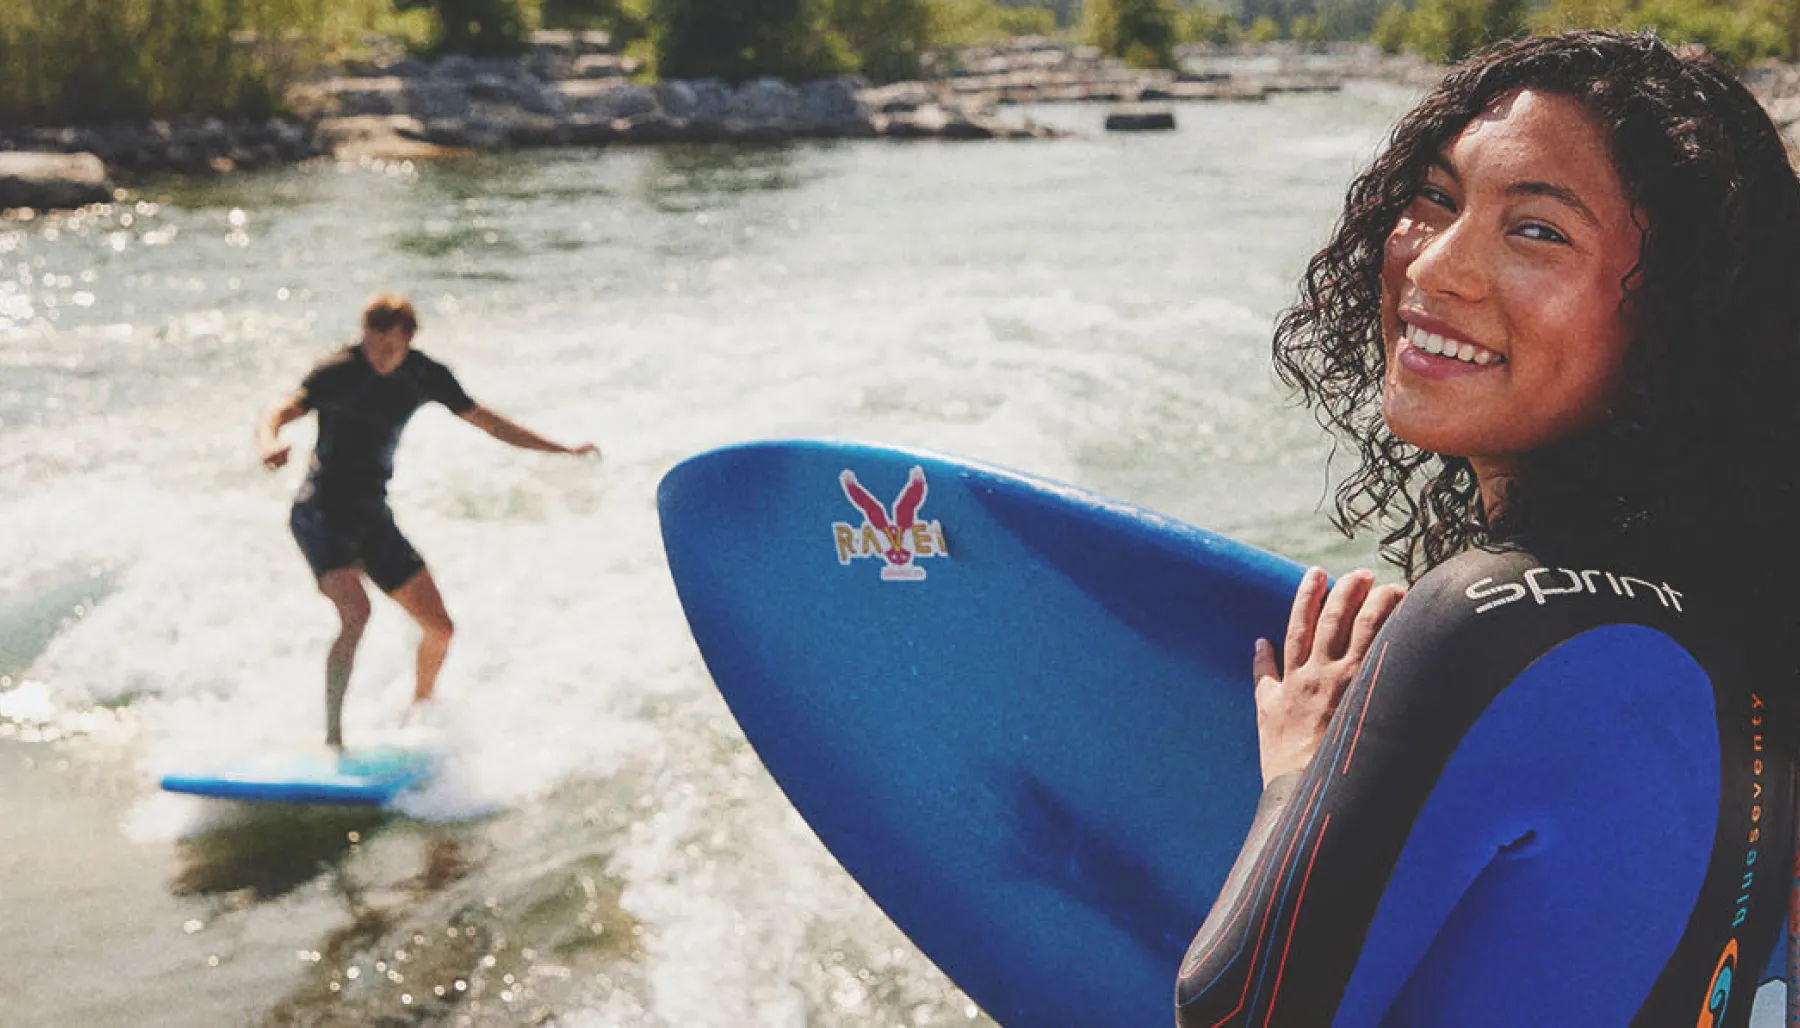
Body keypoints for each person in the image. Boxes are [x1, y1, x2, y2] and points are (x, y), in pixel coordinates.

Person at [1175, 32, 1800, 1026]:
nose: (1437, 262)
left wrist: (1297, 775)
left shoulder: (1491, 626)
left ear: (1676, 321)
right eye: (1434, 195)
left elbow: (1230, 1009)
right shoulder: (1750, 611)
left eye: (1538, 232)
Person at [256, 292, 598, 748]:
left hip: (372, 516)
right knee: (357, 614)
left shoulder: (424, 375)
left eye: (390, 349)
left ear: (409, 340)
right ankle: (333, 739)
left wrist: (563, 449)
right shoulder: (337, 371)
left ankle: (419, 712)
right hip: (320, 514)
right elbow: (279, 412)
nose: (379, 358)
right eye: (372, 346)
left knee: (440, 627)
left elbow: (491, 424)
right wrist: (268, 443)